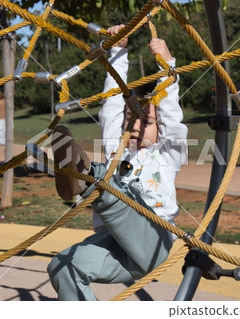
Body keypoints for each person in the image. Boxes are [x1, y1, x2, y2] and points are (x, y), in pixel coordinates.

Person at [47, 25, 188, 301]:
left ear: (159, 130)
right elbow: (112, 104)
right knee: (62, 267)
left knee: (113, 188)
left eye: (146, 122)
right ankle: (83, 176)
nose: (135, 126)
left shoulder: (167, 154)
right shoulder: (117, 151)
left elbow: (172, 115)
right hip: (113, 244)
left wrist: (169, 65)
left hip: (152, 240)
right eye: (130, 120)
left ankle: (85, 175)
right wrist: (118, 49)